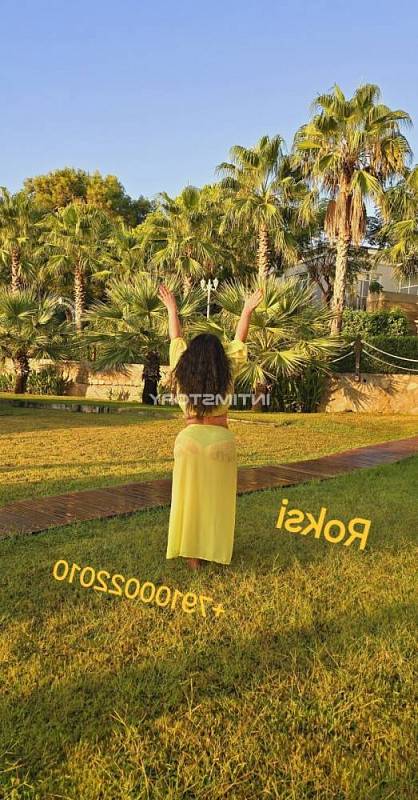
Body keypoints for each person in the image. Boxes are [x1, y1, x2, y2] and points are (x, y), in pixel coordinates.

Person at [158, 283, 263, 569]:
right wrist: (246, 310)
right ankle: (213, 551)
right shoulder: (226, 369)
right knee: (217, 501)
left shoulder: (182, 366)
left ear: (190, 356)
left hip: (189, 440)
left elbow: (176, 336)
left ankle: (193, 558)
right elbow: (240, 339)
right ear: (219, 356)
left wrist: (172, 308)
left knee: (189, 500)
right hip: (220, 440)